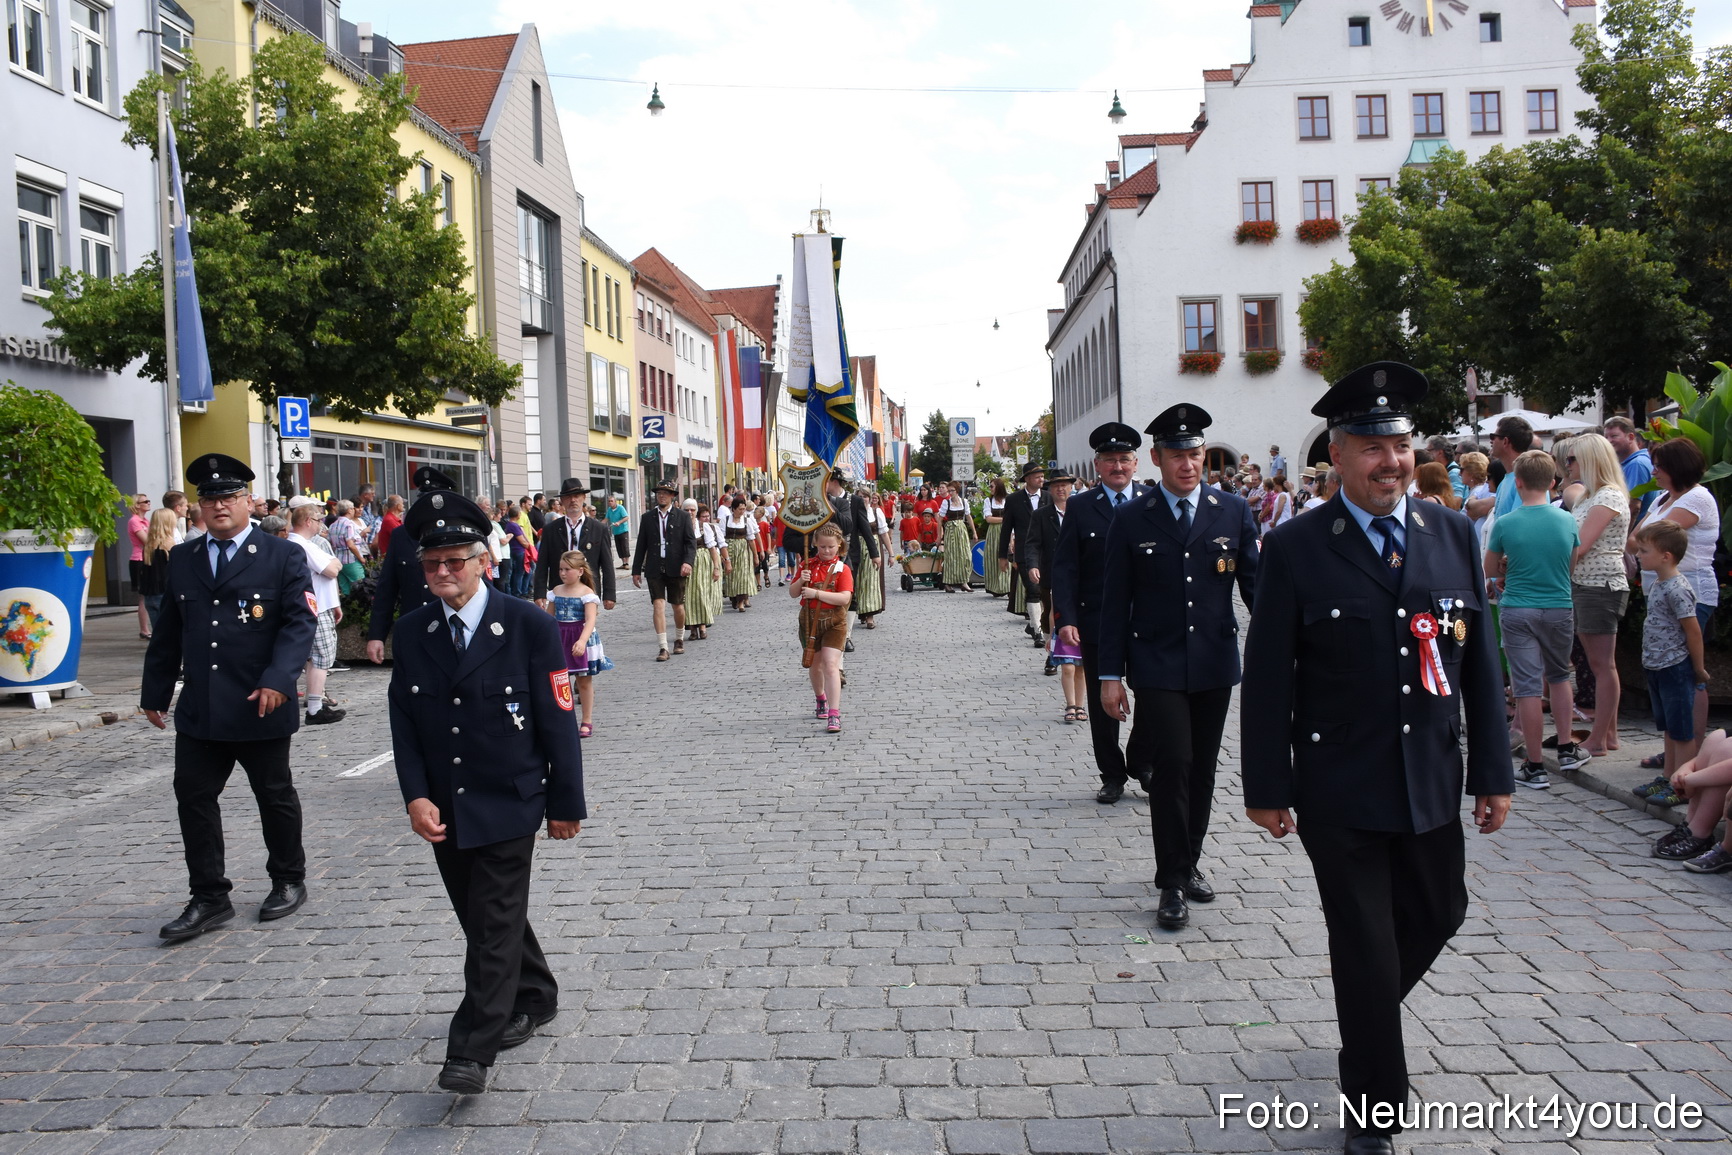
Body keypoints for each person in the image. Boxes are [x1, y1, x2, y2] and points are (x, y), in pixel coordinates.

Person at [1241, 363, 1510, 1155]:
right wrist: (1267, 785)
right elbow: (1267, 680)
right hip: (1340, 785)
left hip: (1430, 776)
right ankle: (1374, 1111)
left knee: (1440, 912)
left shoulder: (1452, 533)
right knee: (1363, 942)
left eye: (1399, 445)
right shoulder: (1293, 547)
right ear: (1338, 451)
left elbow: (1480, 665)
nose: (1390, 461)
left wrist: (1494, 771)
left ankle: (1363, 1025)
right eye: (1372, 447)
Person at [386, 488, 585, 1095]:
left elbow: (557, 718)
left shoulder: (526, 623)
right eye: (431, 564)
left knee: (491, 924)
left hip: (510, 799)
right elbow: (405, 722)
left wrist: (564, 804)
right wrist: (415, 796)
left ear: (483, 562)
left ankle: (472, 1048)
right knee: (484, 918)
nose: (442, 572)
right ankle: (536, 993)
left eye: (455, 561)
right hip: (447, 804)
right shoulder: (415, 630)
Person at [141, 453, 319, 942]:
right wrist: (154, 692)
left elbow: (299, 622)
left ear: (247, 501)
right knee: (193, 798)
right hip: (202, 707)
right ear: (198, 507)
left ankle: (288, 879)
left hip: (259, 700)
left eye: (229, 497)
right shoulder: (184, 558)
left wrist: (280, 680)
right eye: (210, 498)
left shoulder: (282, 555)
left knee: (274, 794)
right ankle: (209, 896)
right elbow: (169, 631)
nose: (219, 506)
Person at [1098, 404, 1258, 931]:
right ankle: (1170, 881)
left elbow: (1256, 589)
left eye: (1196, 454)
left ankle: (1189, 862)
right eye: (1177, 455)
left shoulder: (1231, 510)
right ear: (1157, 459)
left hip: (1213, 662)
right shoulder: (1132, 515)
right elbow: (1114, 598)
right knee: (1173, 767)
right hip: (1158, 663)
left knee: (1205, 769)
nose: (1188, 464)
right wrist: (1108, 675)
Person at [1051, 422, 1151, 803]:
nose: (1118, 466)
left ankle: (1142, 762)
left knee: (1153, 694)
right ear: (1097, 465)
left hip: (1144, 620)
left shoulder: (1151, 502)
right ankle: (1112, 773)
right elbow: (1065, 567)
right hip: (1095, 619)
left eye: (1124, 459)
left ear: (1136, 462)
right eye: (1110, 460)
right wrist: (1066, 618)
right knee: (1101, 698)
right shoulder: (1080, 506)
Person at [1486, 449, 1584, 789]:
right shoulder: (1567, 519)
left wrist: (1504, 567)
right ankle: (1568, 747)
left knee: (1527, 687)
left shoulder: (1506, 523)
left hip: (1518, 608)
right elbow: (1570, 567)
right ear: (1553, 482)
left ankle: (1535, 764)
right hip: (1558, 605)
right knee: (1558, 677)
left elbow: (1488, 568)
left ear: (1518, 481)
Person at [1633, 436, 1720, 786]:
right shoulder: (1665, 497)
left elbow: (1647, 535)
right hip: (1661, 593)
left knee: (1684, 679)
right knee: (1670, 685)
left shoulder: (1696, 497)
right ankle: (1675, 759)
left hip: (1693, 591)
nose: (1654, 470)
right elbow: (1640, 538)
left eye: (1660, 464)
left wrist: (1640, 538)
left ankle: (1690, 756)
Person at [1636, 520, 1711, 829]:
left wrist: (1698, 667)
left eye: (1644, 550)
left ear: (1665, 555)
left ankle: (1684, 783)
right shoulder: (1658, 583)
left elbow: (1692, 631)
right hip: (1656, 663)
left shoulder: (1678, 588)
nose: (1639, 555)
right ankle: (1668, 774)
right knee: (1668, 724)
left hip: (1674, 664)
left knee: (1682, 728)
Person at [1564, 434, 1630, 758]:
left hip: (1600, 584)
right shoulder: (1590, 496)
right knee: (1597, 662)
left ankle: (1600, 738)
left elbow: (1582, 544)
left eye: (1573, 459)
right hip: (1587, 583)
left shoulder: (1608, 496)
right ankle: (1609, 734)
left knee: (1602, 665)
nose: (1568, 465)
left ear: (1590, 460)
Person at [366, 467, 452, 664]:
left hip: (453, 628)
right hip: (414, 630)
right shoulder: (401, 535)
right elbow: (387, 588)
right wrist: (376, 635)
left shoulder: (461, 536)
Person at [790, 522, 853, 734]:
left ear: (839, 547)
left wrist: (816, 594)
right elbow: (792, 592)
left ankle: (834, 713)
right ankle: (820, 699)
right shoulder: (807, 564)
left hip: (835, 622)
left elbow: (845, 597)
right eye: (822, 547)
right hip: (809, 621)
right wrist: (801, 582)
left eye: (831, 547)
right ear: (815, 544)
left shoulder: (842, 569)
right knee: (815, 665)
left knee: (830, 665)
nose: (826, 551)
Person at [289, 500, 347, 726]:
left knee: (314, 657)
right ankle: (314, 707)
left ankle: (315, 705)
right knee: (321, 656)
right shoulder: (304, 544)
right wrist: (334, 562)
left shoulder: (300, 543)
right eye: (317, 520)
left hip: (315, 605)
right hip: (316, 607)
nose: (321, 525)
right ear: (307, 521)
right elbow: (333, 569)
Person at [545, 550, 611, 738]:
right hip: (560, 637)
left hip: (580, 636)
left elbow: (590, 620)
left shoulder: (587, 593)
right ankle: (564, 719)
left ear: (580, 571)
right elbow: (548, 618)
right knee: (560, 682)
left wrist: (582, 641)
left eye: (567, 569)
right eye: (561, 569)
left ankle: (587, 720)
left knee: (583, 682)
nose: (563, 573)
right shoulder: (556, 591)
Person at [632, 480, 698, 661]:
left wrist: (688, 562)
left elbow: (690, 543)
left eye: (665, 492)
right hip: (654, 566)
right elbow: (641, 546)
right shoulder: (647, 518)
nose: (661, 495)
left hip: (677, 567)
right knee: (658, 604)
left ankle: (678, 638)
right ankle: (663, 647)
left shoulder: (682, 517)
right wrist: (636, 570)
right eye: (659, 492)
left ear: (672, 496)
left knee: (678, 606)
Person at [532, 480, 617, 609]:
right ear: (562, 501)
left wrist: (609, 594)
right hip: (559, 589)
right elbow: (542, 563)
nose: (573, 500)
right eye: (568, 497)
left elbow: (607, 564)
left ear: (583, 497)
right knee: (561, 627)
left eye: (576, 496)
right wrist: (539, 592)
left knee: (587, 627)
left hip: (588, 589)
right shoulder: (551, 529)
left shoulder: (599, 529)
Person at [1023, 471, 1074, 682]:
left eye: (1064, 485)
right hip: (1051, 570)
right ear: (1049, 490)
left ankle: (1075, 653)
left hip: (1077, 572)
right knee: (1050, 613)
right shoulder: (1041, 514)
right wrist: (1033, 566)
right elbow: (1032, 543)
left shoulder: (1080, 510)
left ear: (1071, 487)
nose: (1060, 489)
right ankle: (1052, 653)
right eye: (1056, 486)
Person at [999, 462, 1045, 637]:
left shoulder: (1048, 497)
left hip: (1047, 552)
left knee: (1046, 591)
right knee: (1033, 589)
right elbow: (1006, 528)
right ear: (1027, 479)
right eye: (1037, 476)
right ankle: (1038, 631)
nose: (1041, 479)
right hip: (1025, 552)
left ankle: (1035, 624)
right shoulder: (1014, 500)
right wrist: (1003, 556)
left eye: (1042, 476)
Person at [1605, 415, 1655, 519]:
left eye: (1614, 436)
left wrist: (1625, 534)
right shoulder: (1639, 460)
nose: (1609, 441)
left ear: (1631, 437)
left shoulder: (1637, 464)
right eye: (1606, 437)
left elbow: (1633, 507)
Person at [138, 507, 179, 633]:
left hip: (150, 595)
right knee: (172, 635)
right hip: (165, 594)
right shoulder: (170, 546)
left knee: (159, 634)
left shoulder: (149, 546)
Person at [853, 483, 889, 628]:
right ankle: (861, 611)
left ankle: (870, 616)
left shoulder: (875, 512)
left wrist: (891, 554)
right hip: (856, 547)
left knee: (871, 581)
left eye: (865, 497)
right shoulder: (852, 512)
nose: (863, 500)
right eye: (860, 497)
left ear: (870, 498)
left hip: (872, 548)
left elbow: (884, 533)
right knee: (858, 580)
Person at [685, 503, 723, 640]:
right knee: (688, 597)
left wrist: (716, 568)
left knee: (702, 594)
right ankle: (692, 629)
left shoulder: (703, 527)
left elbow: (713, 549)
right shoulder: (679, 526)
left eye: (692, 509)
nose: (689, 512)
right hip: (686, 564)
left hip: (702, 564)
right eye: (686, 509)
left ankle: (702, 626)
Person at [936, 481, 976, 593]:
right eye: (948, 491)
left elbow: (968, 517)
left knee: (966, 555)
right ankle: (948, 582)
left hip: (961, 530)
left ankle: (964, 581)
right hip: (951, 530)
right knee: (951, 556)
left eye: (951, 491)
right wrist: (939, 536)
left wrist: (974, 532)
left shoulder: (964, 502)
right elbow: (939, 520)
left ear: (957, 491)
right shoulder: (946, 503)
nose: (950, 493)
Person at [722, 497, 760, 611]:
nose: (742, 511)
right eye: (740, 509)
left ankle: (741, 602)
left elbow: (751, 538)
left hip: (743, 550)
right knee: (732, 576)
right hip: (729, 549)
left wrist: (756, 555)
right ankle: (734, 598)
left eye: (743, 509)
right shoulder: (726, 519)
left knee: (742, 575)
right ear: (733, 509)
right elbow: (721, 537)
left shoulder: (746, 520)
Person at [328, 500, 369, 596]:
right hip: (351, 560)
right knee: (360, 589)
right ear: (349, 510)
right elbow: (350, 544)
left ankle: (347, 610)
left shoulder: (333, 525)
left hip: (339, 561)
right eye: (353, 508)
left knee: (346, 591)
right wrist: (361, 558)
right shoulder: (349, 524)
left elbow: (330, 544)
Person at [128, 493, 153, 639]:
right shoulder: (134, 521)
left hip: (146, 557)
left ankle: (145, 628)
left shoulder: (145, 521)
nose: (149, 503)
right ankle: (144, 629)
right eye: (146, 501)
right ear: (137, 505)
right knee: (143, 596)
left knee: (146, 595)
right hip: (139, 559)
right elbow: (146, 540)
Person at [981, 480, 1011, 597]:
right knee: (993, 558)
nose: (990, 488)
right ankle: (995, 587)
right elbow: (989, 519)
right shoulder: (988, 501)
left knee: (1007, 556)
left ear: (998, 487)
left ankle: (1006, 586)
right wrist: (1006, 520)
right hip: (994, 532)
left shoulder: (1007, 500)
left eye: (992, 486)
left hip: (1007, 530)